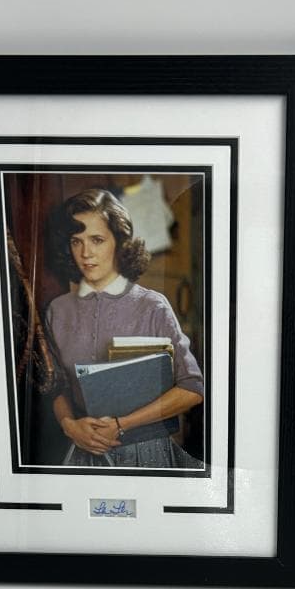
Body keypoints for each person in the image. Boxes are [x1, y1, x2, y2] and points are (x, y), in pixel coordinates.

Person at [44, 187, 204, 468]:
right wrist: (70, 425)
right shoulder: (57, 310)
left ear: (119, 243)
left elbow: (192, 388)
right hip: (83, 452)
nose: (86, 253)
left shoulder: (152, 306)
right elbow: (58, 386)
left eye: (97, 240)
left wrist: (122, 424)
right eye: (76, 241)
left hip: (146, 455)